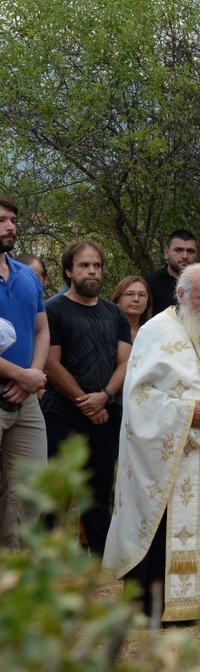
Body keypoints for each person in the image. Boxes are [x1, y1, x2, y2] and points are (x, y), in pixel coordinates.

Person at [103, 263, 200, 622]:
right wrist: (187, 412)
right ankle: (155, 607)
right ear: (182, 295)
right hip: (170, 457)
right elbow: (138, 398)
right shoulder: (155, 331)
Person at [43, 241, 131, 555]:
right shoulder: (53, 309)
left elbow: (125, 362)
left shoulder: (115, 313)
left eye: (96, 265)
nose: (92, 271)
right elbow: (51, 363)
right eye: (84, 265)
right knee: (57, 492)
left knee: (100, 490)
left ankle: (101, 558)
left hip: (107, 413)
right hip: (62, 413)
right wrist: (86, 401)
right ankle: (48, 559)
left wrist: (105, 396)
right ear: (69, 270)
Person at [0, 195, 49, 549]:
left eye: (13, 220)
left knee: (29, 490)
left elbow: (42, 330)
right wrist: (21, 375)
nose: (10, 226)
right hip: (14, 385)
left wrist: (32, 374)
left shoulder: (26, 276)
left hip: (26, 399)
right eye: (2, 220)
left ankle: (17, 579)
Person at [146, 229, 199, 314]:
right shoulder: (150, 284)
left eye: (190, 251)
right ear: (166, 253)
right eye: (178, 250)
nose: (185, 256)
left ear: (196, 255)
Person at [111, 276, 153, 341]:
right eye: (130, 294)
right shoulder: (107, 330)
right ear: (118, 300)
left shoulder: (152, 333)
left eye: (141, 295)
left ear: (147, 302)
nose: (136, 299)